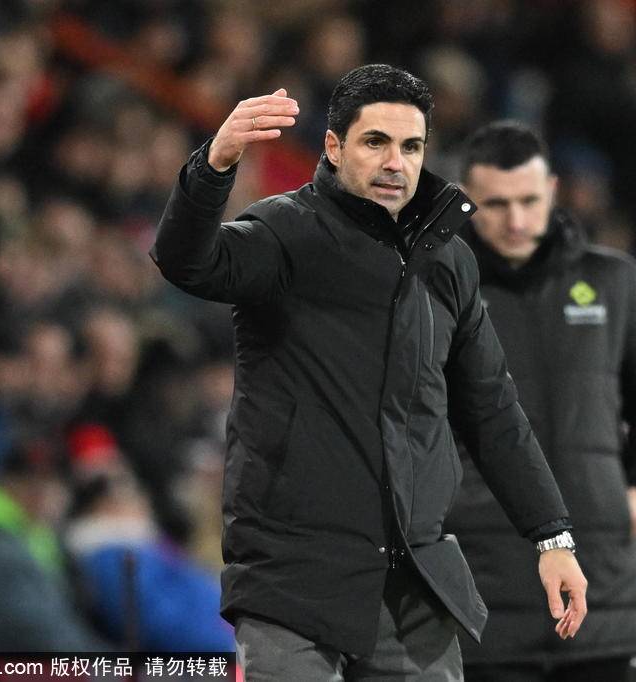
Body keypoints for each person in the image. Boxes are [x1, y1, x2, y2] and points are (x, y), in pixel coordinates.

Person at [149, 64, 587, 681]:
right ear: (333, 147)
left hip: (414, 585)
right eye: (375, 142)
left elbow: (491, 409)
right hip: (293, 579)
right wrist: (214, 166)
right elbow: (186, 263)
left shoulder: (450, 262)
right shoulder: (285, 231)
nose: (395, 163)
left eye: (411, 147)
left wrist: (552, 536)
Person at [445, 121, 636, 682]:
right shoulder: (435, 288)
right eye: (496, 204)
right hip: (482, 599)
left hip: (607, 597)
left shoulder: (612, 281)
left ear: (552, 190)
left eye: (529, 201)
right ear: (465, 199)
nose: (516, 220)